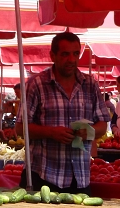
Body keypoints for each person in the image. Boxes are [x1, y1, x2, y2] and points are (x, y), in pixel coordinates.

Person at [14, 32, 110, 194]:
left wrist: (88, 132)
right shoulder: (36, 84)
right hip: (43, 176)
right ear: (53, 55)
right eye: (65, 54)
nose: (71, 60)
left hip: (79, 177)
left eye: (75, 54)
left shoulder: (90, 85)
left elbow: (102, 125)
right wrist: (51, 132)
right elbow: (20, 128)